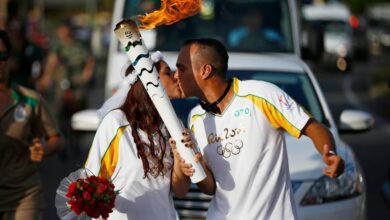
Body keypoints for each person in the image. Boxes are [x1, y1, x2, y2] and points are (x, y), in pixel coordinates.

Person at [173, 38, 345, 219]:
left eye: (181, 68)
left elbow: (313, 127)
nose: (176, 75)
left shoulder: (261, 95)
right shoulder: (195, 117)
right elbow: (211, 187)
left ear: (205, 70)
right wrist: (195, 165)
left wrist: (330, 154)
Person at [83, 53, 213, 219]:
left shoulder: (175, 126)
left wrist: (180, 158)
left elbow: (180, 191)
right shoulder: (116, 123)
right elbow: (90, 185)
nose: (176, 76)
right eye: (167, 72)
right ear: (148, 81)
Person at [0, 30, 64, 220]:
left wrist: (44, 148)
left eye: (2, 56)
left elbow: (57, 139)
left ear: (10, 59)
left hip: (23, 192)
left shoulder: (30, 100)